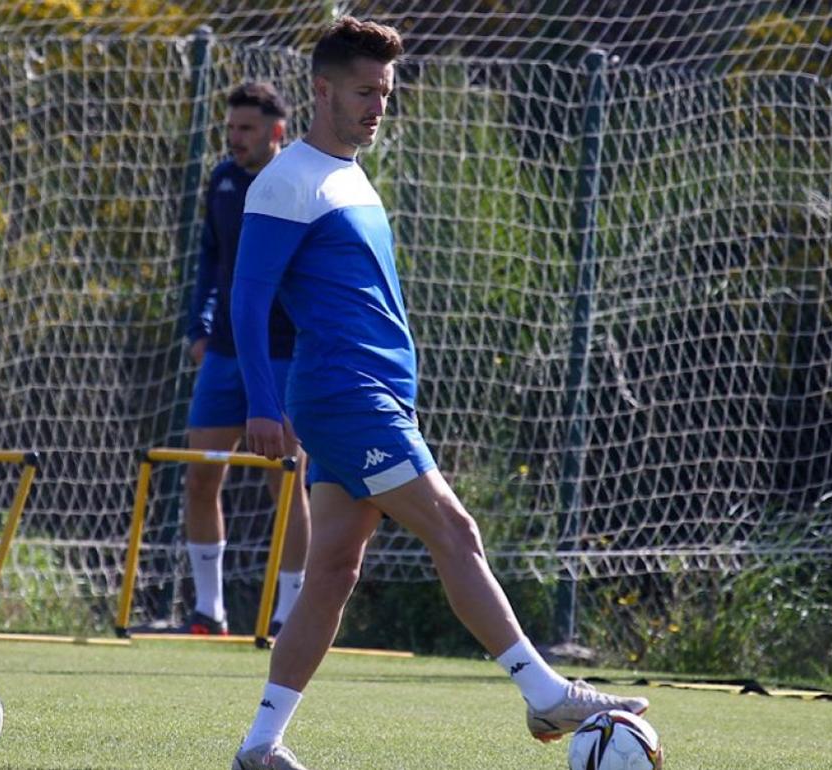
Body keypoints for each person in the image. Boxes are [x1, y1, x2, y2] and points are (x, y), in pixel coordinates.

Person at [227, 17, 648, 770]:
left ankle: (261, 744)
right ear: (322, 91)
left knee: (331, 572)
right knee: (454, 530)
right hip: (347, 396)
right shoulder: (285, 181)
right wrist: (262, 403)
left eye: (385, 93)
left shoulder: (349, 174)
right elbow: (247, 300)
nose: (377, 107)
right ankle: (544, 689)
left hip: (368, 395)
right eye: (364, 92)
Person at [181, 82, 310, 638]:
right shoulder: (223, 180)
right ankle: (209, 611)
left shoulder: (298, 184)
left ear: (276, 132)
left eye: (246, 129)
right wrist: (201, 325)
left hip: (283, 354)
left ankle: (288, 614)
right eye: (230, 128)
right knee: (201, 474)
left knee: (287, 481)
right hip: (225, 355)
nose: (235, 138)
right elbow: (211, 258)